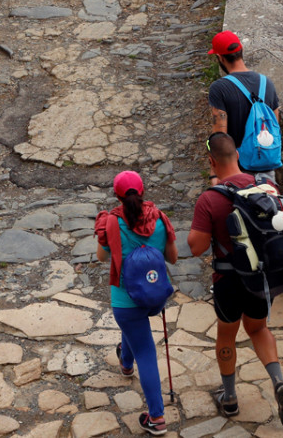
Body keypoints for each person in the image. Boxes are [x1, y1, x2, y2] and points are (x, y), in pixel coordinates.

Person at [187, 132, 283, 426]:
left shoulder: (210, 199)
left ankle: (230, 398)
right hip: (260, 277)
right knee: (259, 329)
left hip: (227, 279)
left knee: (227, 334)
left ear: (211, 161)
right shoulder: (265, 187)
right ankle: (278, 383)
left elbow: (196, 247)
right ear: (237, 154)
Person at [95, 170, 178, 436]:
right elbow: (173, 258)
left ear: (117, 195)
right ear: (142, 192)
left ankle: (156, 418)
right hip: (154, 298)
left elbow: (100, 257)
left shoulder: (111, 222)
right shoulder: (160, 219)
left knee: (146, 349)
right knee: (134, 330)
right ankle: (126, 363)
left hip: (125, 301)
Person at [207, 30, 282, 184]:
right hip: (266, 167)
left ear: (220, 57)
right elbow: (275, 126)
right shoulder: (267, 83)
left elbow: (220, 136)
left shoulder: (219, 88)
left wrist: (214, 175)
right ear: (241, 51)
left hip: (236, 171)